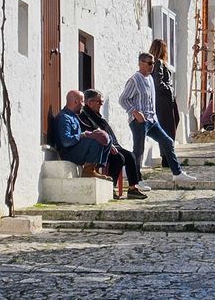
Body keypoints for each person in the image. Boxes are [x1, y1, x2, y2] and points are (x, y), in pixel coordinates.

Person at [119, 53, 196, 187]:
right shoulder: (134, 80)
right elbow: (123, 99)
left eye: (153, 63)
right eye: (149, 63)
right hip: (139, 121)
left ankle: (177, 173)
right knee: (139, 150)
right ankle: (136, 180)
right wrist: (134, 112)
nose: (152, 66)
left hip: (152, 120)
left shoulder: (149, 79)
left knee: (167, 141)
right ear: (141, 63)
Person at [80, 89, 149, 200]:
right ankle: (110, 187)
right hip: (102, 148)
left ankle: (132, 189)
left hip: (112, 145)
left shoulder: (96, 115)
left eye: (102, 102)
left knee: (131, 156)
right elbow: (93, 134)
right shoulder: (85, 116)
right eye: (99, 102)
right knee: (119, 158)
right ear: (90, 102)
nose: (101, 104)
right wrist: (109, 144)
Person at [53, 90, 113, 179]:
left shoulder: (74, 116)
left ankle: (94, 168)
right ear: (75, 102)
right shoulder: (64, 117)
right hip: (68, 154)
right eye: (82, 101)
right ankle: (88, 171)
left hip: (76, 150)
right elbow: (66, 142)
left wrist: (91, 134)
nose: (83, 105)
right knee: (97, 139)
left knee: (107, 138)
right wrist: (83, 135)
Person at [149, 38, 180, 142]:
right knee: (168, 127)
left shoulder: (158, 63)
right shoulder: (159, 63)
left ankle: (167, 152)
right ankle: (166, 154)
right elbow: (158, 82)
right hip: (164, 99)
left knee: (171, 124)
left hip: (165, 99)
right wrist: (169, 89)